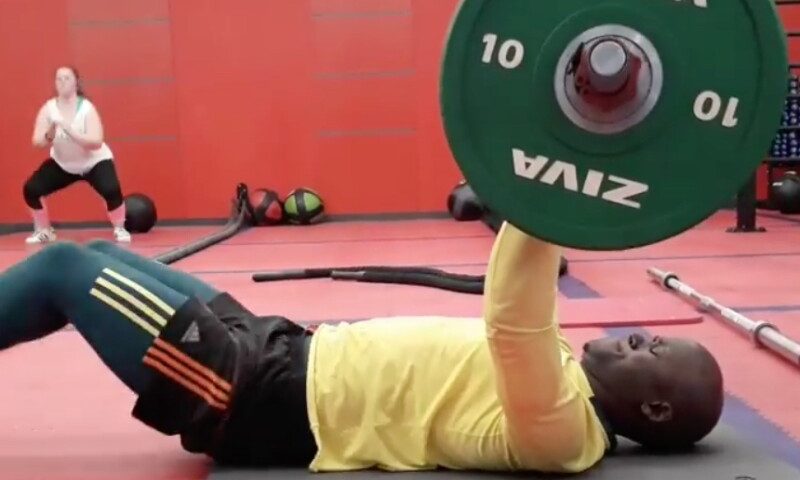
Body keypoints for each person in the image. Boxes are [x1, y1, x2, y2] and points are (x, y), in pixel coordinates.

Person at [0, 223, 725, 473]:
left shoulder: (564, 431)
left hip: (258, 395)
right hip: (282, 347)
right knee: (101, 254)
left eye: (651, 347)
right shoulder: (565, 375)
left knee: (63, 269)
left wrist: (544, 200)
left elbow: (514, 317)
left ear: (656, 409)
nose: (637, 336)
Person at [24, 65, 131, 244]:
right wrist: (51, 131)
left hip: (94, 162)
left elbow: (96, 142)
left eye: (67, 78)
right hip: (64, 164)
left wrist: (70, 130)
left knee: (111, 190)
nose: (62, 82)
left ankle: (120, 227)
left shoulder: (87, 108)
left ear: (76, 83)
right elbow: (38, 141)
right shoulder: (49, 109)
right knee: (31, 189)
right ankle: (44, 230)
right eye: (59, 79)